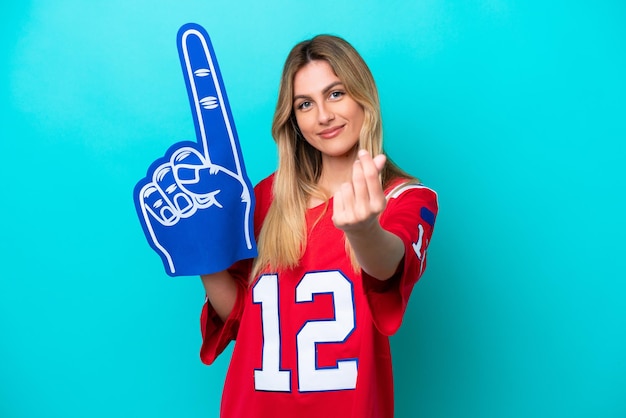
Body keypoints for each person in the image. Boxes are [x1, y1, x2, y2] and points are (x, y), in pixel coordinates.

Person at [198, 34, 438, 418]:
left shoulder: (406, 198)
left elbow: (389, 266)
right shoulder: (264, 198)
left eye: (336, 94)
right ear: (292, 119)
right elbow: (242, 317)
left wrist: (363, 231)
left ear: (364, 97)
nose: (323, 115)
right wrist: (202, 255)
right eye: (305, 104)